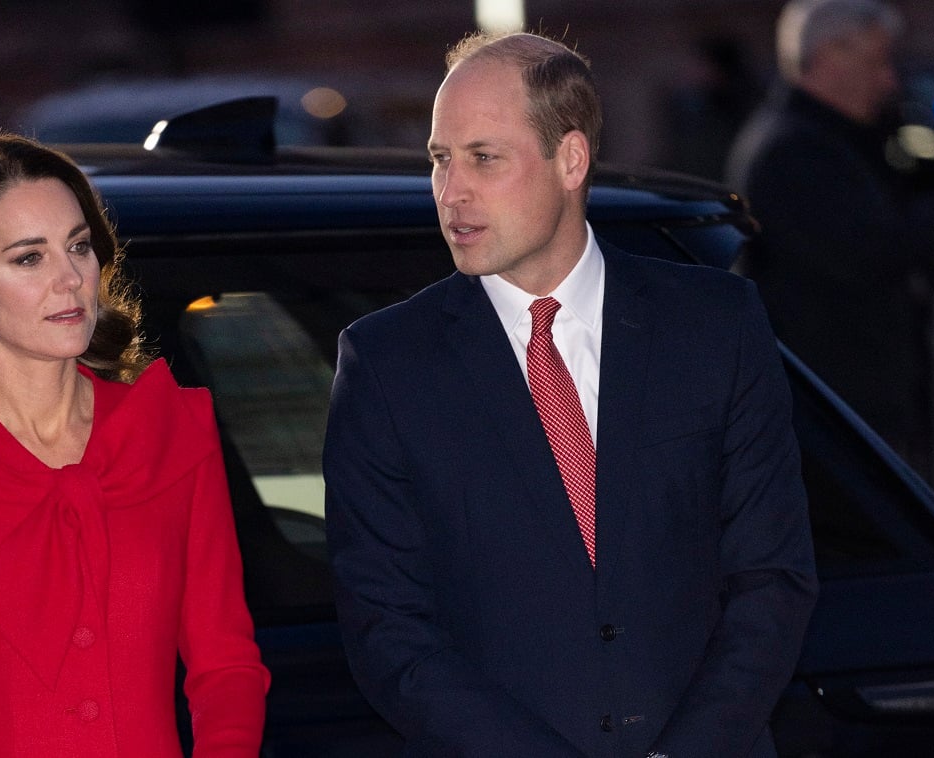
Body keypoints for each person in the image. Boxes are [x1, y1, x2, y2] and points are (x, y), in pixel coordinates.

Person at [324, 31, 818, 758]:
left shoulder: (714, 324)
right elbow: (389, 630)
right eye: (439, 159)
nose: (450, 191)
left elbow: (772, 576)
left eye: (483, 158)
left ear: (571, 159)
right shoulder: (387, 363)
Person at [0, 134, 269, 757]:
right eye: (28, 259)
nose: (70, 280)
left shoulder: (170, 427)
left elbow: (226, 665)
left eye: (78, 247)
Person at [724, 0, 934, 479]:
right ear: (830, 56)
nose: (889, 81)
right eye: (876, 62)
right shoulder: (793, 149)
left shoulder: (834, 140)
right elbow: (872, 253)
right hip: (831, 423)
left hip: (846, 414)